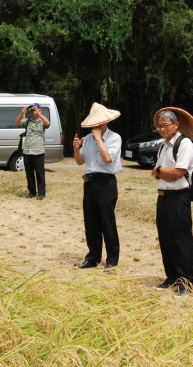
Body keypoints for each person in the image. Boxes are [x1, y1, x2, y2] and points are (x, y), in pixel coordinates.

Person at [151, 107, 193, 296]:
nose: (162, 129)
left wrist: (161, 171)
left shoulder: (184, 143)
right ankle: (171, 277)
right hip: (163, 197)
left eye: (165, 125)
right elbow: (158, 172)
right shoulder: (164, 145)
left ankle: (187, 281)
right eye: (159, 126)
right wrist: (162, 172)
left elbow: (178, 172)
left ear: (176, 125)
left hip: (179, 198)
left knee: (181, 240)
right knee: (165, 238)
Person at [73, 102, 122, 269]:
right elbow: (80, 162)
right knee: (91, 222)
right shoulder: (87, 139)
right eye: (94, 123)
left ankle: (112, 259)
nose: (96, 125)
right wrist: (76, 149)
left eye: (99, 122)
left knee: (107, 221)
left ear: (105, 121)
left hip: (106, 183)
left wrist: (98, 138)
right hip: (89, 182)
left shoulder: (114, 138)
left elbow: (108, 158)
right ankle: (92, 257)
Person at [15, 103, 50, 200]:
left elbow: (47, 123)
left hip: (38, 151)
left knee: (40, 173)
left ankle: (41, 193)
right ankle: (32, 192)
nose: (33, 111)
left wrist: (39, 114)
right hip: (27, 151)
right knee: (29, 173)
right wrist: (21, 113)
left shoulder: (42, 121)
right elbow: (17, 123)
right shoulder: (27, 121)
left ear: (40, 110)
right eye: (32, 110)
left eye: (35, 109)